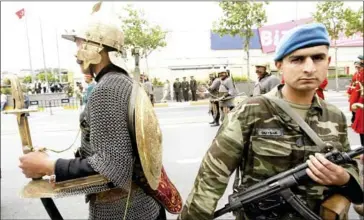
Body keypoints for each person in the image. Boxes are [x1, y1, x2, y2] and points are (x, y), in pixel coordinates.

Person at [178, 23, 363, 220]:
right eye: (297, 59)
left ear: (328, 61)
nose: (309, 68)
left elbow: (349, 165)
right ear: (280, 65)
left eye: (317, 58)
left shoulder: (335, 116)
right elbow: (210, 180)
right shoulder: (251, 111)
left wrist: (344, 178)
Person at [18, 10, 179, 220]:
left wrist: (48, 165)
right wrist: (54, 167)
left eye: (78, 44)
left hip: (125, 210)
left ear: (94, 47)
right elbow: (117, 155)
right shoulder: (125, 83)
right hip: (140, 205)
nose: (76, 52)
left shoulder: (107, 89)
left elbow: (111, 167)